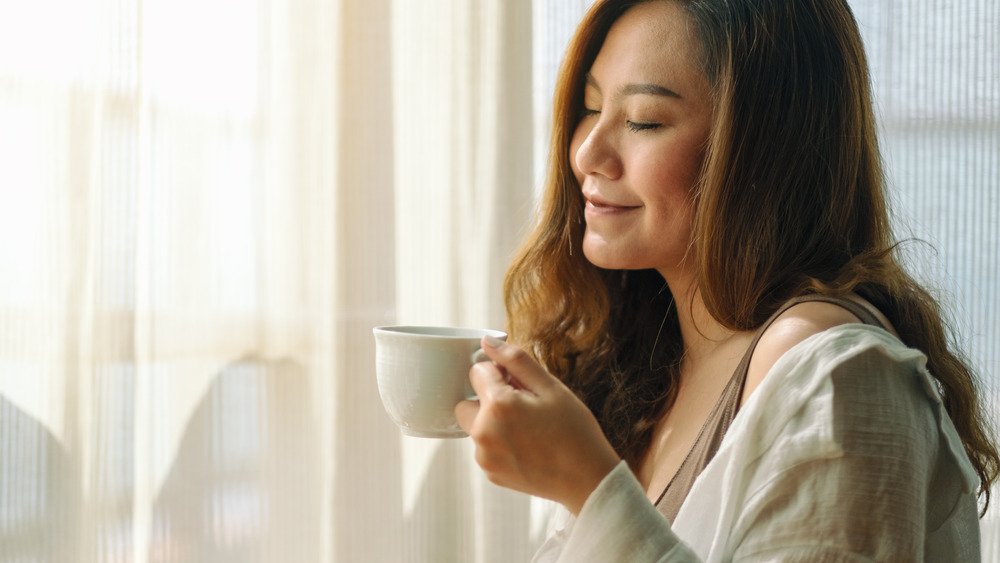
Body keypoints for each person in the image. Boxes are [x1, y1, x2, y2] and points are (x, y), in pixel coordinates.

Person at [453, 0, 1000, 561]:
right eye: (591, 108)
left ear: (764, 150)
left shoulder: (836, 373)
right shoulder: (648, 368)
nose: (587, 153)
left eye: (644, 119)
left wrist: (588, 487)